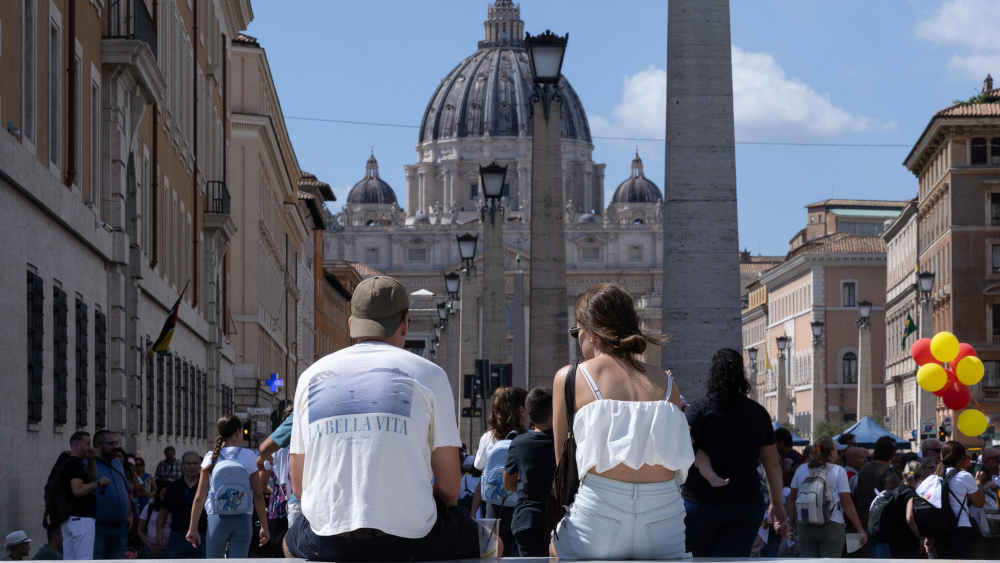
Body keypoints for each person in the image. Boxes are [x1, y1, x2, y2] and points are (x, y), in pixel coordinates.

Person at [282, 275, 479, 561]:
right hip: (408, 542)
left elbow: (299, 486)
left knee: (292, 539)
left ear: (351, 325)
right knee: (488, 541)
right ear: (405, 324)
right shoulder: (429, 374)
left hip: (327, 542)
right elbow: (450, 488)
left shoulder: (311, 376)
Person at [550, 283, 695, 560]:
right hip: (664, 512)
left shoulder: (572, 377)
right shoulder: (667, 383)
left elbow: (562, 463)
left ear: (591, 333)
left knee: (555, 549)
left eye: (576, 334)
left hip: (599, 510)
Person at [684, 349, 788, 557]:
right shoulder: (758, 413)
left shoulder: (697, 411)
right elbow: (772, 464)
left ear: (712, 374)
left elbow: (683, 451)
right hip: (745, 501)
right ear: (742, 375)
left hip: (700, 501)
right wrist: (777, 504)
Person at [184, 415, 268, 558]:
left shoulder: (210, 457)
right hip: (243, 518)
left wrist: (193, 528)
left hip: (216, 517)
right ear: (238, 432)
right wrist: (264, 527)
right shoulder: (249, 456)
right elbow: (258, 495)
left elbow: (199, 497)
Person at [788, 437, 867, 557]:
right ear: (830, 453)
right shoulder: (838, 471)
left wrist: (792, 524)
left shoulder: (801, 469)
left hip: (805, 525)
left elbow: (791, 499)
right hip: (832, 524)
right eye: (835, 450)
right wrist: (860, 529)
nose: (837, 453)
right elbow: (847, 503)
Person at [473, 386, 528, 556]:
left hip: (494, 507)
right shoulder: (528, 438)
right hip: (520, 506)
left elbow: (480, 471)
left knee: (492, 555)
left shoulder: (488, 438)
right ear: (520, 411)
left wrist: (472, 511)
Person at [503, 387, 556, 556]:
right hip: (558, 519)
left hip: (527, 519)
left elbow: (508, 482)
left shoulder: (519, 443)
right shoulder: (564, 443)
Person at [919, 441, 986, 558]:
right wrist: (979, 482)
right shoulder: (964, 476)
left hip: (939, 531)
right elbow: (979, 503)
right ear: (961, 458)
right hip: (961, 528)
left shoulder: (933, 478)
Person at [60, 430, 108, 560]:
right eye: (87, 444)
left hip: (73, 520)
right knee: (83, 559)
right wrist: (99, 483)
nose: (90, 447)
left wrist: (92, 460)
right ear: (76, 445)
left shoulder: (77, 463)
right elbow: (78, 490)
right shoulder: (74, 464)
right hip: (81, 520)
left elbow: (91, 477)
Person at [257, 407, 301, 531]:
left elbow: (262, 485)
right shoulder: (305, 444)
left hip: (278, 506)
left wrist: (274, 491)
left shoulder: (274, 450)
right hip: (303, 501)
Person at [854, 436, 898, 557]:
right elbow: (894, 498)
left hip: (862, 521)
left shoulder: (864, 469)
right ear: (892, 454)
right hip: (881, 526)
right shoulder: (888, 472)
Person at [91, 431, 132, 559]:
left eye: (116, 443)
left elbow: (125, 490)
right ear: (98, 445)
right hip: (99, 528)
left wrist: (130, 514)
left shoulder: (117, 463)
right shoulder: (88, 464)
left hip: (120, 527)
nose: (116, 447)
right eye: (111, 444)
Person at [157, 452, 205, 558]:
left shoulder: (207, 488)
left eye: (195, 463)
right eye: (188, 464)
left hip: (202, 536)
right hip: (178, 536)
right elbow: (163, 512)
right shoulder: (173, 488)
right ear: (182, 466)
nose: (192, 467)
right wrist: (159, 531)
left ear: (200, 466)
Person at [136, 482, 170, 556]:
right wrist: (149, 545)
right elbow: (140, 530)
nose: (165, 498)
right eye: (163, 495)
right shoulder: (149, 508)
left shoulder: (174, 510)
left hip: (169, 549)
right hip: (150, 548)